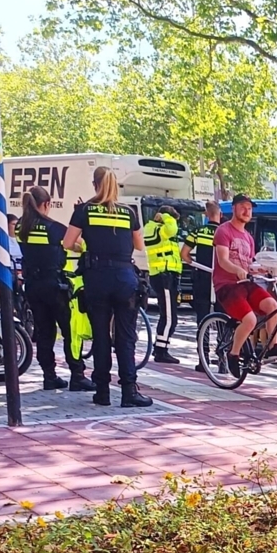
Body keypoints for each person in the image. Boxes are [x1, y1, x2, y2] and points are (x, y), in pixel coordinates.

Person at [63, 166, 152, 408]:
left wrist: (85, 247)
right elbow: (140, 246)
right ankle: (129, 392)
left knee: (101, 336)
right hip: (125, 278)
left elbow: (68, 242)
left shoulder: (84, 210)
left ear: (95, 185)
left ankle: (102, 392)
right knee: (125, 338)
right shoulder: (128, 212)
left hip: (97, 278)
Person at [17, 187, 96, 392]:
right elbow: (80, 245)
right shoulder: (54, 228)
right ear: (46, 204)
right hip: (56, 286)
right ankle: (77, 376)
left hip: (33, 286)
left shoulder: (20, 227)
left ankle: (49, 377)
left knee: (44, 332)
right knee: (70, 332)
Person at [213, 194, 277, 378]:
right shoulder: (223, 231)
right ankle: (233, 354)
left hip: (246, 284)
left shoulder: (249, 238)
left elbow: (249, 264)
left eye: (250, 208)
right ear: (234, 208)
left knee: (273, 306)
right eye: (243, 206)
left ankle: (274, 347)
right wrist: (237, 270)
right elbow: (223, 260)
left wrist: (261, 270)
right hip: (227, 286)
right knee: (250, 320)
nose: (247, 211)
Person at [182, 201, 222, 372]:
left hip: (203, 278)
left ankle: (203, 360)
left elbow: (184, 254)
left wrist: (195, 264)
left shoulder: (197, 232)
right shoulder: (224, 233)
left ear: (206, 215)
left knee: (202, 319)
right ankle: (223, 360)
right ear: (219, 214)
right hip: (221, 280)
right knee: (223, 319)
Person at [144, 205, 183, 364]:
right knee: (169, 318)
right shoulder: (155, 228)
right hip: (163, 274)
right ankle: (161, 351)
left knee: (170, 316)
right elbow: (172, 229)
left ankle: (161, 348)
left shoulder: (160, 228)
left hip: (168, 275)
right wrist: (166, 217)